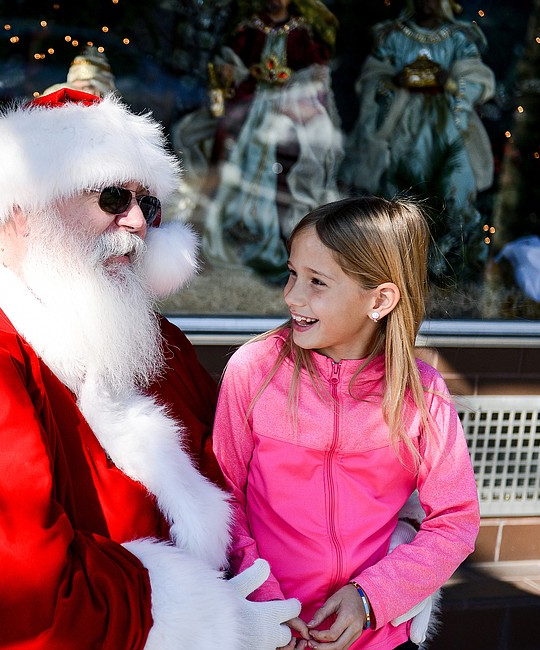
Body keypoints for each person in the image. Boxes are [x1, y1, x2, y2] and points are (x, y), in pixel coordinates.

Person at [0, 88, 302, 649]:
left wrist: (369, 555)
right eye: (112, 197)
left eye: (148, 204)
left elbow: (243, 473)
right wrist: (212, 622)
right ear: (22, 209)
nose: (137, 221)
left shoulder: (147, 340)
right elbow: (14, 588)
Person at [212, 196, 480, 649]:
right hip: (267, 630)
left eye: (318, 282)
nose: (293, 295)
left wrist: (371, 597)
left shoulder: (422, 393)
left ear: (380, 299)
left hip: (378, 635)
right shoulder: (254, 371)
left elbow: (455, 521)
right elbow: (222, 496)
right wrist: (267, 604)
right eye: (292, 273)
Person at [339, 0, 495, 282]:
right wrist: (394, 82)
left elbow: (476, 78)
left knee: (455, 184)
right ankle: (399, 264)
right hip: (404, 126)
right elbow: (373, 77)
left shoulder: (459, 38)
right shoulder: (394, 36)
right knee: (402, 186)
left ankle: (453, 266)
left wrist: (450, 82)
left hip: (447, 125)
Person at [200, 0, 343, 282]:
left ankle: (284, 238)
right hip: (252, 107)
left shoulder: (301, 31)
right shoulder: (248, 30)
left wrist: (296, 89)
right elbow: (231, 66)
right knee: (242, 160)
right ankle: (241, 232)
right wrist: (232, 73)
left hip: (288, 109)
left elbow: (315, 74)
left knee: (287, 162)